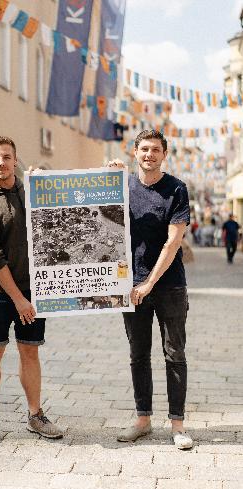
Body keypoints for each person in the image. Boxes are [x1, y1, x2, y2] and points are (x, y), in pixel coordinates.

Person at [0, 136, 63, 448]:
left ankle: (35, 415)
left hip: (34, 289)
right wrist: (19, 299)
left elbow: (66, 209)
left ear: (15, 160)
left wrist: (42, 183)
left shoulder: (32, 193)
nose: (1, 163)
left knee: (29, 350)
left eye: (6, 157)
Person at [108, 130, 192, 450]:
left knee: (174, 354)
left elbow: (173, 243)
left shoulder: (176, 190)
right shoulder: (123, 185)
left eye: (155, 150)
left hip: (169, 285)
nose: (149, 155)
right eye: (144, 149)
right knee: (138, 354)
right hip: (131, 286)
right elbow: (88, 205)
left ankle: (178, 425)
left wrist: (149, 282)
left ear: (164, 154)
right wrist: (106, 175)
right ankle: (143, 420)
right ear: (134, 152)